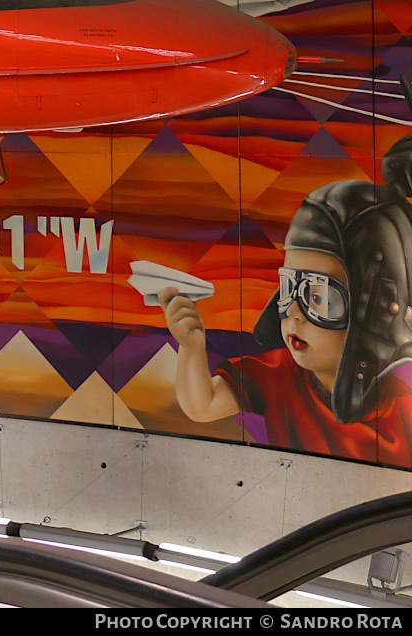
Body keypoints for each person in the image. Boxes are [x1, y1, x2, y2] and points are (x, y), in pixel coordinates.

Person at [164, 174, 412, 465]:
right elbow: (202, 405)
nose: (293, 312)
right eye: (289, 288)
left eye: (318, 297)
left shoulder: (403, 407)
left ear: (372, 314)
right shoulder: (278, 374)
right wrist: (191, 348)